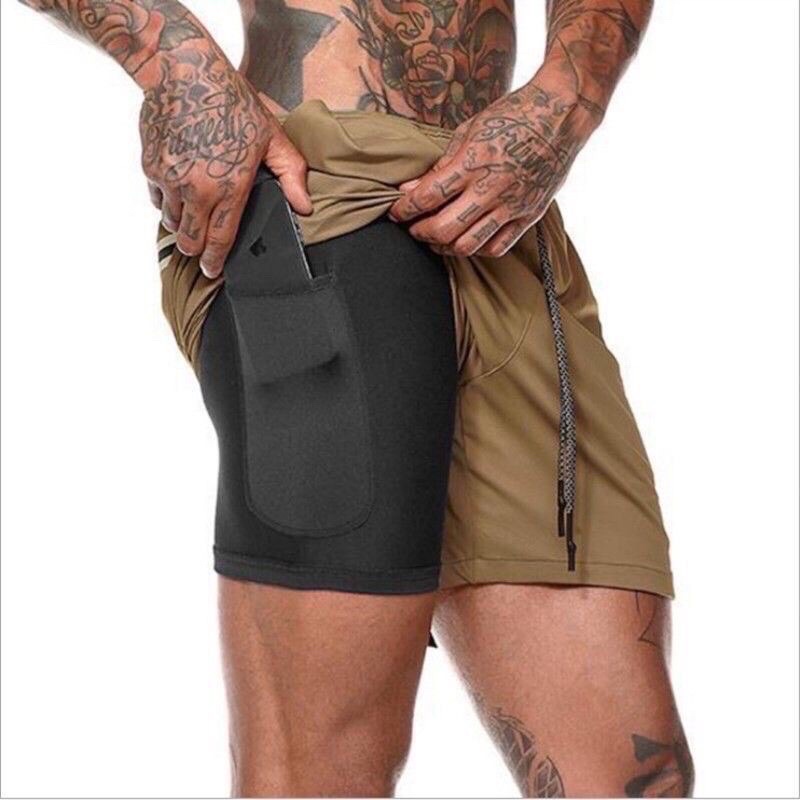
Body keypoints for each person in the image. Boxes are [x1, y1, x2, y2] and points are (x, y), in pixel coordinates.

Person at [17, 1, 694, 796]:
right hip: (321, 200)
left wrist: (568, 96)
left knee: (634, 777)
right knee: (324, 774)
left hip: (504, 214)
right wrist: (175, 60)